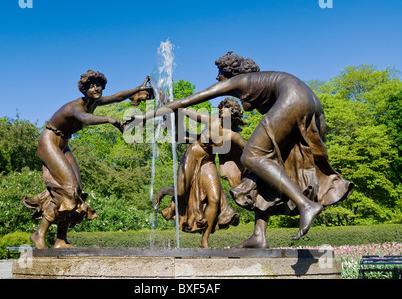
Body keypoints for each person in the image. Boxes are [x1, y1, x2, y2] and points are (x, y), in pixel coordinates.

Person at [134, 52, 354, 242]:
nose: (217, 79)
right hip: (312, 103)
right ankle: (259, 235)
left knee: (252, 158)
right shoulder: (259, 82)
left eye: (219, 74)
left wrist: (144, 117)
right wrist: (160, 95)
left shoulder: (238, 81)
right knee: (261, 170)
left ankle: (305, 204)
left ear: (229, 74)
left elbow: (187, 102)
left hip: (294, 99)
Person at [23, 70, 151, 249]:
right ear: (84, 89)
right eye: (91, 85)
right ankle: (39, 233)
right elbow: (85, 118)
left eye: (98, 85)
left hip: (63, 143)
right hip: (49, 142)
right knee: (67, 188)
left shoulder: (95, 101)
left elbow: (117, 97)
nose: (96, 88)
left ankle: (61, 239)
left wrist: (138, 89)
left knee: (76, 191)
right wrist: (111, 120)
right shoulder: (76, 106)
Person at [153, 98, 246, 248]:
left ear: (233, 114)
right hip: (194, 154)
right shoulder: (212, 120)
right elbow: (187, 112)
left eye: (225, 108)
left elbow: (249, 149)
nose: (221, 111)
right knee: (182, 190)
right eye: (221, 108)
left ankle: (205, 240)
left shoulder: (234, 136)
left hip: (208, 161)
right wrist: (171, 105)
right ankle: (164, 191)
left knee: (215, 198)